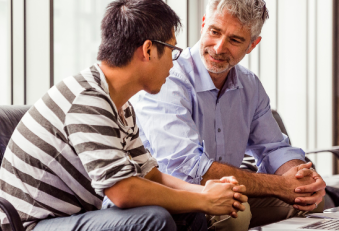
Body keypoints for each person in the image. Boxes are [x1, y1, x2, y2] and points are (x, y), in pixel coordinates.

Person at [0, 0, 248, 231]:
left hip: (69, 219)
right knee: (154, 220)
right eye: (172, 50)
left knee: (190, 214)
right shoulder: (88, 100)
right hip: (29, 226)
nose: (173, 62)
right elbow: (123, 191)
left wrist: (205, 192)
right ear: (148, 50)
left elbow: (151, 176)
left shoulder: (120, 105)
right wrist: (204, 199)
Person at [131, 0, 327, 230]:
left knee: (308, 200)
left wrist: (301, 179)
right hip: (175, 195)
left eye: (235, 40)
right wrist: (278, 184)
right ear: (204, 24)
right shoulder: (167, 77)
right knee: (236, 215)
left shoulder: (249, 85)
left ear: (252, 45)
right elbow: (187, 169)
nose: (219, 47)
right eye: (215, 32)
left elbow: (274, 147)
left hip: (228, 192)